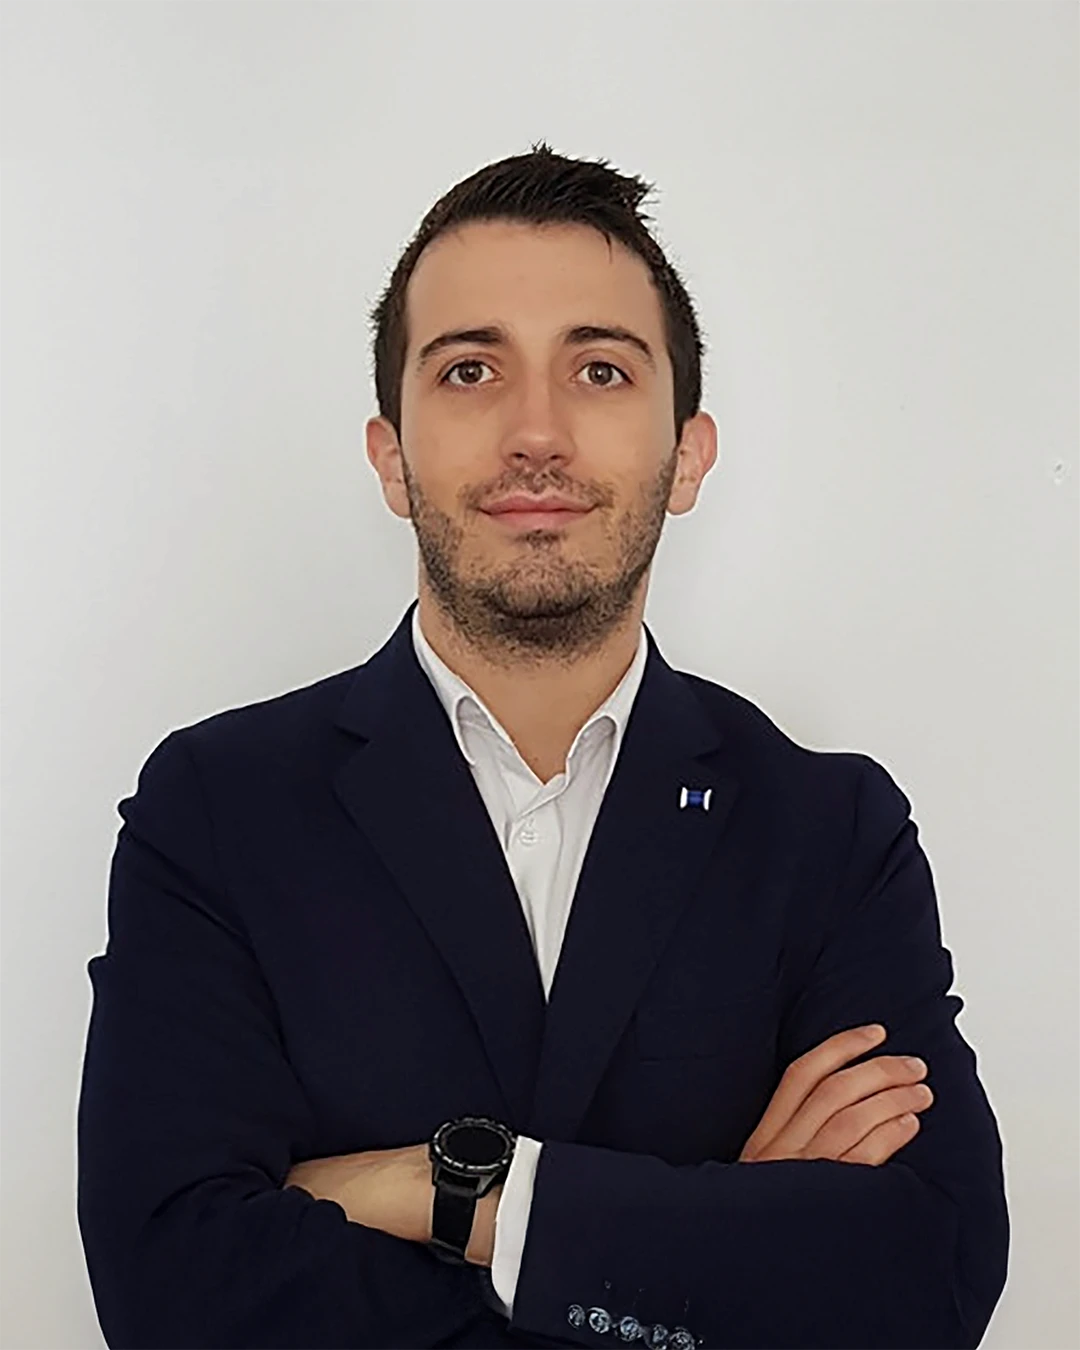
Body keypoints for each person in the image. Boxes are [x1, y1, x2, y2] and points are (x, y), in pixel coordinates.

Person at [77, 142, 1008, 1350]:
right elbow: (174, 1296)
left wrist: (442, 1192)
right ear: (390, 456)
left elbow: (927, 1282)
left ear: (688, 455)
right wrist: (725, 1231)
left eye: (600, 370)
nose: (536, 433)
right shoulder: (215, 810)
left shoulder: (829, 833)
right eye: (470, 369)